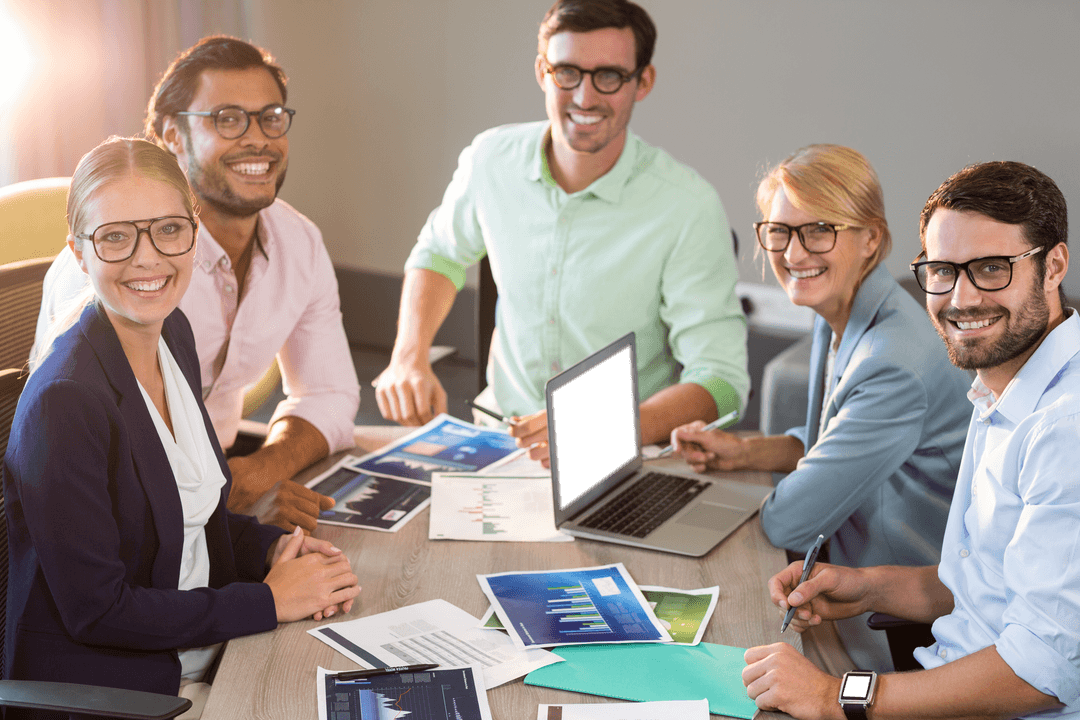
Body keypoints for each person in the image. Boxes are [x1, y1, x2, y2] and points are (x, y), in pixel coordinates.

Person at [4, 137, 361, 718]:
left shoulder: (173, 336)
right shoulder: (65, 402)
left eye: (168, 229)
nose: (148, 258)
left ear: (194, 233)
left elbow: (197, 521)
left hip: (206, 648)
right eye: (116, 236)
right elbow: (98, 611)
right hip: (124, 692)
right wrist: (267, 603)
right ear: (78, 251)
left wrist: (273, 550)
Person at [742, 161, 1077, 719]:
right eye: (943, 271)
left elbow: (1041, 672)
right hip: (941, 673)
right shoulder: (1003, 386)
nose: (962, 298)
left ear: (1053, 267)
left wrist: (834, 697)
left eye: (991, 268)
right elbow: (987, 584)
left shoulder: (1065, 429)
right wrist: (869, 587)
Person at [376, 0, 749, 465]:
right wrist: (409, 355)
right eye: (567, 72)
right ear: (542, 72)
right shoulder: (490, 159)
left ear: (643, 82)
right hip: (497, 443)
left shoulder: (687, 206)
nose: (585, 98)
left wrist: (612, 426)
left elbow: (723, 382)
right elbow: (439, 255)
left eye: (609, 76)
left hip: (622, 454)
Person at [32, 36, 360, 533]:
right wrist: (224, 505)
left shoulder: (299, 241)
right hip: (123, 525)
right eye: (227, 118)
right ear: (173, 137)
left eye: (271, 117)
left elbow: (331, 393)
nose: (258, 139)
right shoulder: (120, 272)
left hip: (219, 491)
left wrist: (259, 471)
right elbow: (97, 463)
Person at [671, 144, 972, 670]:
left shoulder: (893, 362)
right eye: (780, 231)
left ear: (871, 238)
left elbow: (789, 521)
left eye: (818, 231)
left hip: (903, 626)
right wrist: (745, 452)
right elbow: (838, 437)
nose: (793, 254)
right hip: (851, 578)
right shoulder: (843, 307)